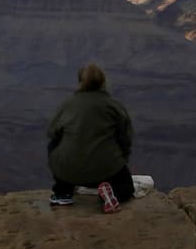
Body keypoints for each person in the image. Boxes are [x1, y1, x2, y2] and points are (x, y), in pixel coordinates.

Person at [47, 64, 135, 213]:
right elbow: (126, 137)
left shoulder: (68, 105)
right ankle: (111, 194)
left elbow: (52, 132)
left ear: (80, 81)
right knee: (127, 188)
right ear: (103, 82)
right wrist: (122, 161)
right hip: (106, 171)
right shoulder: (113, 106)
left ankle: (63, 192)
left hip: (69, 172)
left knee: (54, 144)